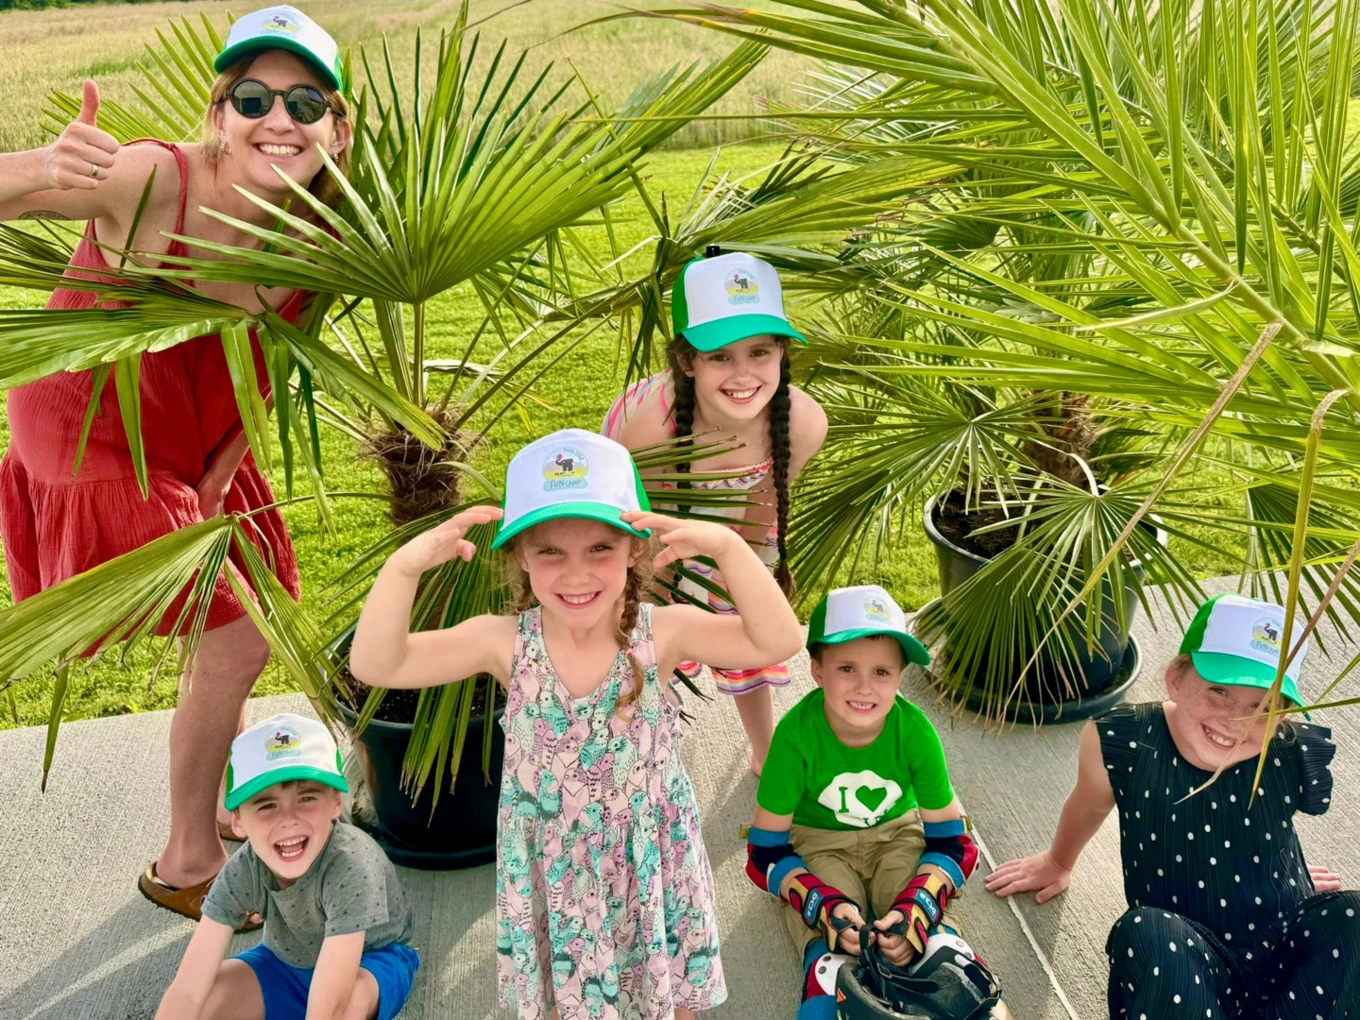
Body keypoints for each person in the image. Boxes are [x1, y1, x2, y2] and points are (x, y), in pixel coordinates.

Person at [0, 5, 352, 917]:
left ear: (337, 127)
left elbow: (269, 368)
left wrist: (222, 470)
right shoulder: (157, 178)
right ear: (219, 112)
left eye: (305, 101)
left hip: (194, 421)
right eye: (254, 97)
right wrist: (39, 168)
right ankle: (187, 859)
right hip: (86, 423)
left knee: (235, 608)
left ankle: (229, 799)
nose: (279, 119)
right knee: (238, 635)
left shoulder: (328, 234)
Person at [349, 428, 805, 1020]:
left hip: (648, 852)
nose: (576, 574)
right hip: (556, 864)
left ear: (634, 549)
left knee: (666, 994)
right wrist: (403, 569)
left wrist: (727, 547)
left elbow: (779, 639)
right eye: (550, 552)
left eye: (599, 549)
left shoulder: (664, 632)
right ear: (520, 556)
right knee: (573, 1002)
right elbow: (377, 664)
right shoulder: (504, 642)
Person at [986, 592, 1359, 1019]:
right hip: (1187, 960)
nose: (1236, 721)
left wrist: (1289, 879)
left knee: (1354, 915)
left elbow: (1266, 827)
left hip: (1284, 953)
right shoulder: (1124, 743)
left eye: (1263, 707)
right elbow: (1087, 806)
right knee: (1146, 930)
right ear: (1175, 679)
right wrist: (1058, 861)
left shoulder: (1290, 752)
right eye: (1218, 691)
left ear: (1285, 717)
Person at [603, 249, 828, 777]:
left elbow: (763, 509)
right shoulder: (648, 428)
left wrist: (741, 581)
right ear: (687, 362)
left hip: (738, 525)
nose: (743, 374)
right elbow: (631, 527)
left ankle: (766, 750)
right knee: (646, 641)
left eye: (760, 352)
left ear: (782, 353)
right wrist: (660, 598)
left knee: (745, 626)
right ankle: (636, 742)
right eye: (720, 357)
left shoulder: (802, 422)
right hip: (652, 529)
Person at [744, 585, 1012, 1020]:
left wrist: (917, 911)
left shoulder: (916, 732)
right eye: (847, 668)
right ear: (818, 670)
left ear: (900, 676)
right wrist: (823, 906)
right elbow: (765, 851)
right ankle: (827, 972)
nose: (865, 686)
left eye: (882, 671)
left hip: (896, 833)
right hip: (819, 839)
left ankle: (948, 959)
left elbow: (954, 843)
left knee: (937, 949)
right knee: (833, 955)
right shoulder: (793, 739)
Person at [155, 713, 419, 1020]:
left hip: (370, 960)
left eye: (306, 798)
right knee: (203, 999)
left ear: (336, 802)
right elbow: (189, 988)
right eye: (267, 805)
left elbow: (330, 1006)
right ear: (238, 821)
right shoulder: (243, 869)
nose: (289, 820)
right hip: (285, 961)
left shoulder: (352, 863)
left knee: (347, 1006)